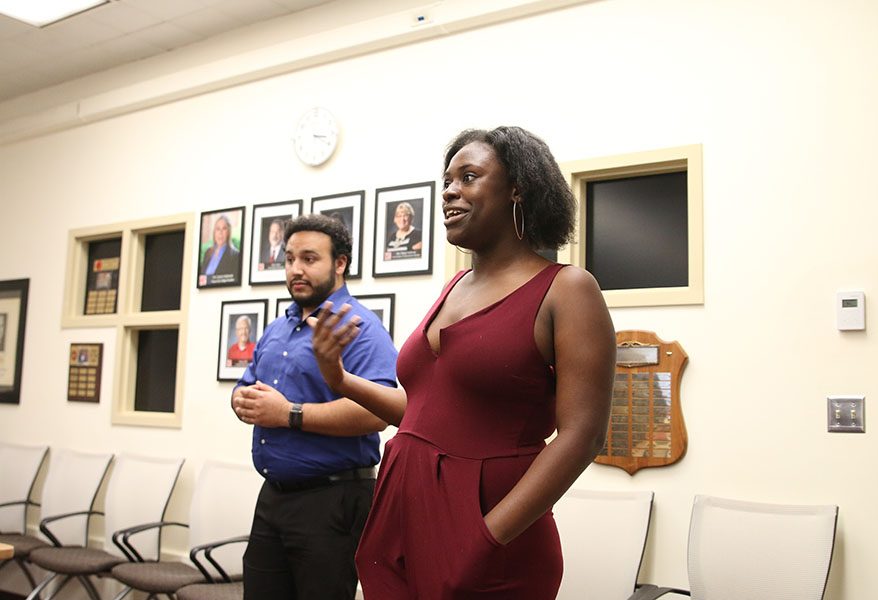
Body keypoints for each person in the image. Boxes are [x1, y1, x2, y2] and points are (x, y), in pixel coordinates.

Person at [309, 126, 616, 599]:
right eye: (447, 180)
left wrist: (486, 537)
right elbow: (424, 415)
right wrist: (340, 379)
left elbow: (582, 436)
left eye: (468, 176)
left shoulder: (568, 288)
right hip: (401, 513)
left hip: (491, 526)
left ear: (518, 188)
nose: (450, 190)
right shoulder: (453, 287)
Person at [230, 214, 399, 600]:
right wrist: (239, 400)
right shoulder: (277, 327)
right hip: (273, 496)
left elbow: (379, 412)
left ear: (339, 264)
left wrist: (289, 414)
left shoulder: (360, 327)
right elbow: (248, 385)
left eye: (309, 259)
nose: (295, 270)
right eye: (289, 259)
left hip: (332, 502)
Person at [200, 213, 241, 283]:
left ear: (228, 232)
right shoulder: (208, 252)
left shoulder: (236, 255)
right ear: (214, 232)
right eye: (218, 229)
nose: (220, 233)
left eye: (224, 229)